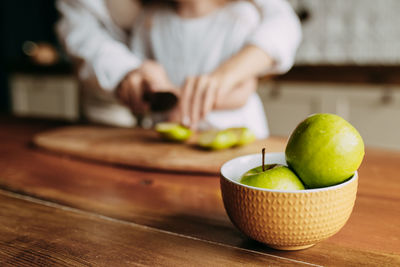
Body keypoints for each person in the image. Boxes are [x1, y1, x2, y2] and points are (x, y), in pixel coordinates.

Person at [56, 0, 301, 138]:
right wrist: (146, 88)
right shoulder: (150, 20)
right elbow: (145, 71)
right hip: (166, 140)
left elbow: (245, 88)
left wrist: (181, 99)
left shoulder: (242, 16)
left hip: (235, 138)